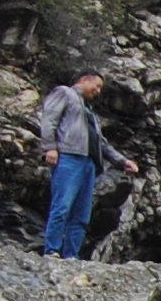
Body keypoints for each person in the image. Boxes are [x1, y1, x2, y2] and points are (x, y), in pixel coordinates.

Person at [35, 70, 135, 260]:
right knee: (62, 205)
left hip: (89, 164)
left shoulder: (90, 113)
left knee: (82, 215)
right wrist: (50, 147)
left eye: (100, 88)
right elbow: (49, 119)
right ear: (84, 80)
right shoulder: (65, 93)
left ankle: (72, 255)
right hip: (69, 157)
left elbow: (101, 143)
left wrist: (122, 161)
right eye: (96, 86)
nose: (98, 91)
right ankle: (52, 251)